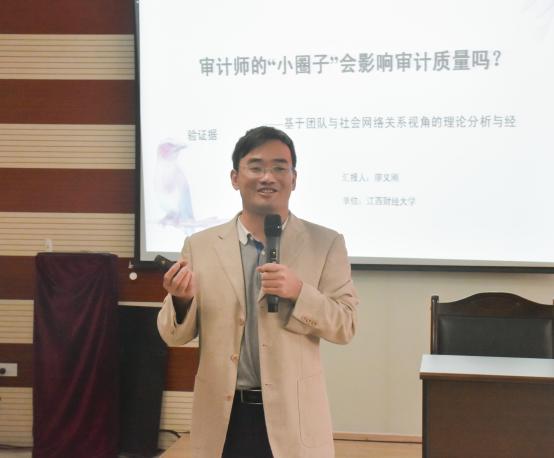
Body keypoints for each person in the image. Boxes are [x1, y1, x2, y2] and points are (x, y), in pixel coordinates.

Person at [157, 126, 358, 458]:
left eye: (279, 167)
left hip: (293, 419)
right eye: (256, 167)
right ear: (235, 178)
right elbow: (173, 335)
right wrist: (181, 299)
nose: (268, 177)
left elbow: (346, 325)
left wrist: (299, 292)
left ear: (294, 178)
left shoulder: (326, 243)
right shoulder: (200, 245)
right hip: (224, 418)